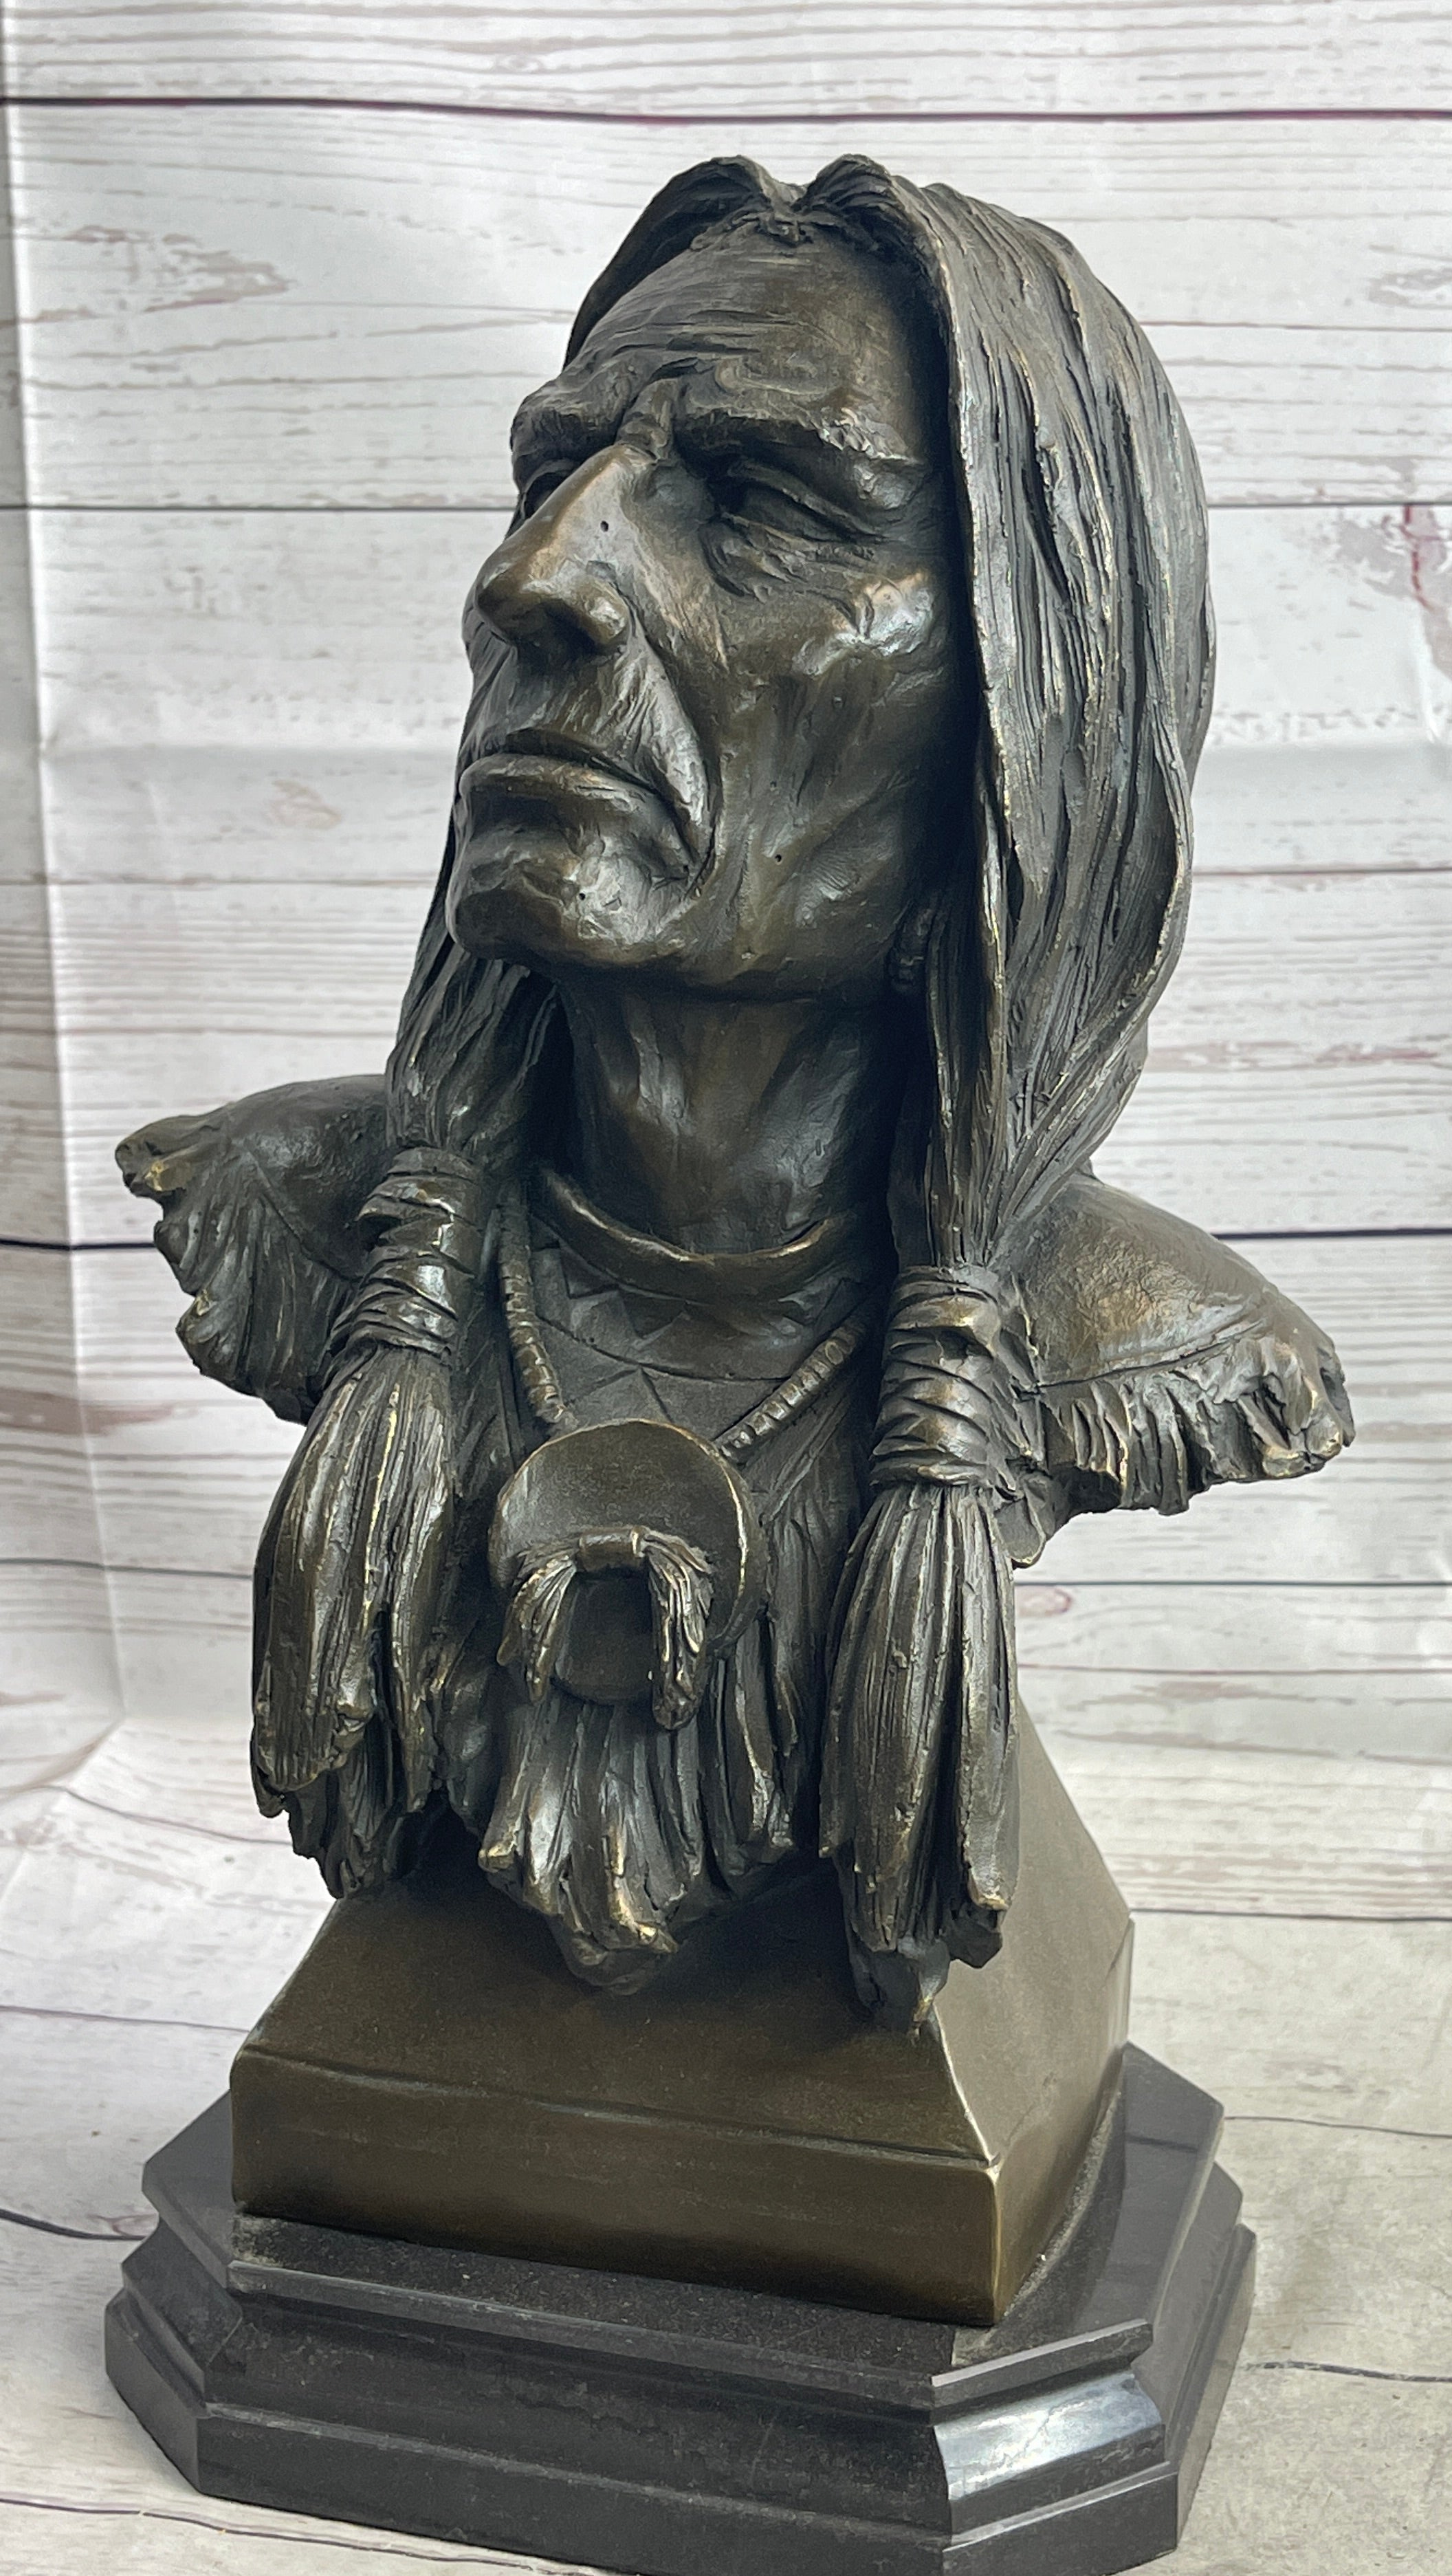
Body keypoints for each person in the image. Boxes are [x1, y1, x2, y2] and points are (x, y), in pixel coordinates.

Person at [120, 157, 1352, 2027]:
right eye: (553, 476)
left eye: (765, 504)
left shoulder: (1160, 1348)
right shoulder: (291, 1212)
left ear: (1045, 695)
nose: (536, 579)